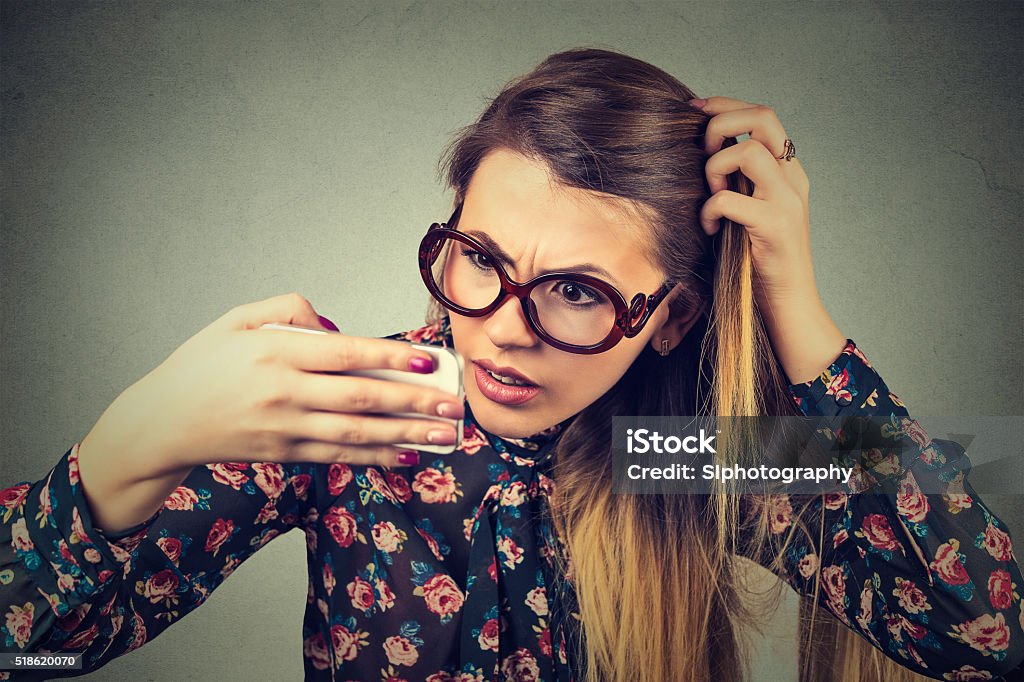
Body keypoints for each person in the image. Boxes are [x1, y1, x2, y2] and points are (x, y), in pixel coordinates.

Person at [1, 47, 1021, 682]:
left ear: (668, 321)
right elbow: (29, 642)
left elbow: (985, 631)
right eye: (482, 261)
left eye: (577, 290)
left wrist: (796, 311)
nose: (503, 329)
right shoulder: (353, 413)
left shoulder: (683, 455)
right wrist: (128, 446)